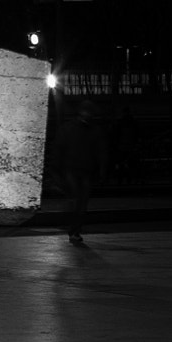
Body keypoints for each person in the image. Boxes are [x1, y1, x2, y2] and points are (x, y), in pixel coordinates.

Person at [53, 98, 109, 246]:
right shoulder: (95, 131)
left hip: (72, 168)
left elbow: (59, 149)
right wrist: (102, 171)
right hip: (83, 169)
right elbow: (101, 152)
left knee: (78, 200)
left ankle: (73, 227)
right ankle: (75, 230)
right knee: (81, 201)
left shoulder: (69, 128)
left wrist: (57, 170)